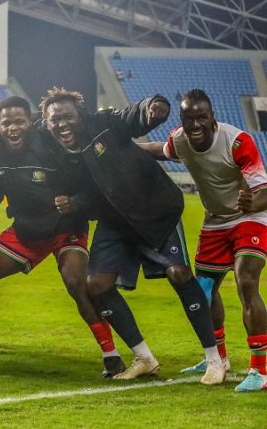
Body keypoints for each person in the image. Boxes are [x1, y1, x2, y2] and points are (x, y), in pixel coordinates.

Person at [40, 87, 226, 384]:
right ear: (47, 124)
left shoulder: (103, 124)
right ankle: (144, 358)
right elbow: (89, 194)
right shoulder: (57, 155)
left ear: (80, 115)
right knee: (96, 284)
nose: (62, 124)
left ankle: (215, 360)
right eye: (55, 120)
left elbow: (135, 115)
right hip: (115, 220)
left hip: (153, 210)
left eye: (67, 117)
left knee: (178, 273)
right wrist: (74, 203)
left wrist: (156, 107)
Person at [0, 96, 124, 377]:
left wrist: (73, 202)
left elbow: (90, 187)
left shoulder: (52, 146)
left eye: (19, 121)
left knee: (77, 283)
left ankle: (110, 354)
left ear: (31, 122)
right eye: (6, 123)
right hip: (28, 231)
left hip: (67, 229)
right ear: (0, 126)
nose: (12, 128)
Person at [143, 89, 267, 392]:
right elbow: (159, 149)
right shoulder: (180, 140)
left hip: (251, 216)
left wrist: (254, 204)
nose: (195, 124)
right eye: (188, 118)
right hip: (215, 220)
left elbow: (264, 189)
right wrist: (121, 146)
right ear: (182, 120)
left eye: (201, 117)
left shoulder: (237, 141)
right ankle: (218, 358)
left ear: (213, 118)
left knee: (246, 280)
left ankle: (261, 370)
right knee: (204, 290)